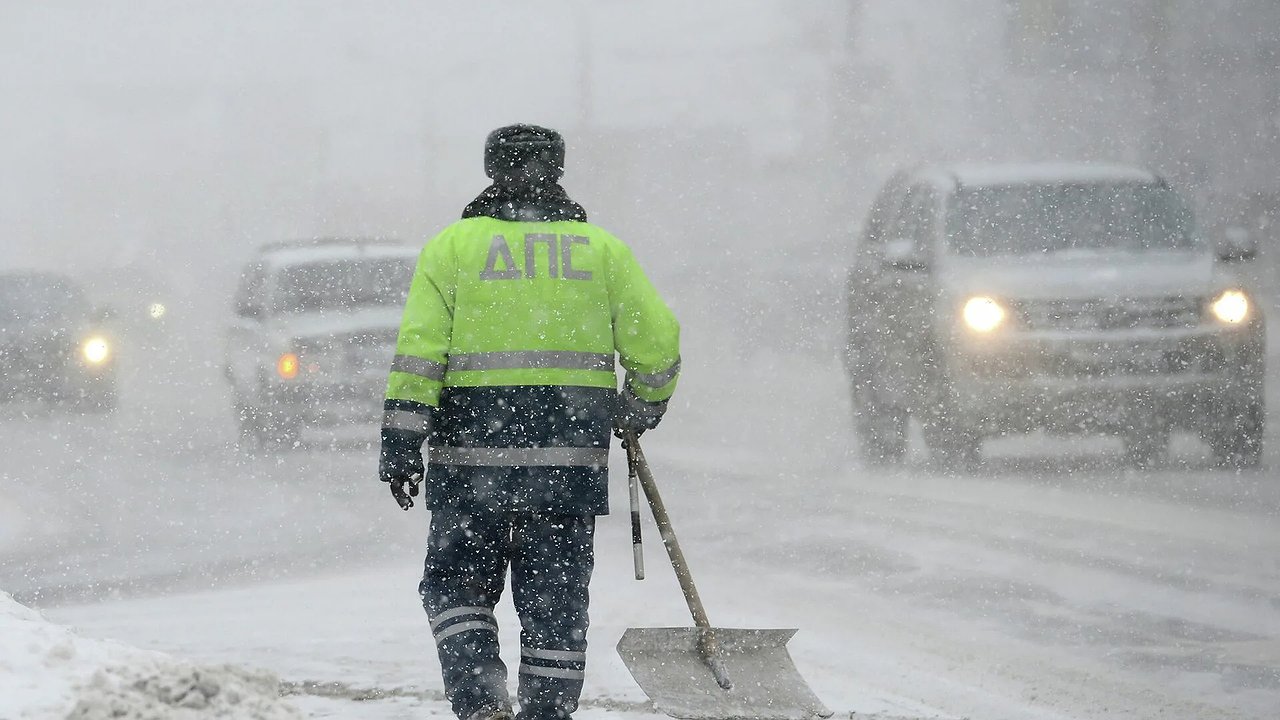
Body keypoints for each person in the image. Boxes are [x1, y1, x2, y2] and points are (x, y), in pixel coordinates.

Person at [378, 124, 681, 720]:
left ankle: (482, 703)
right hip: (568, 463)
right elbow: (659, 343)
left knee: (456, 590)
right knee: (556, 601)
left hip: (470, 462)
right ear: (557, 170)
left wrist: (402, 440)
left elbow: (419, 355)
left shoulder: (453, 248)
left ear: (492, 168)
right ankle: (547, 712)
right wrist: (642, 403)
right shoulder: (600, 250)